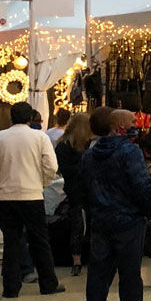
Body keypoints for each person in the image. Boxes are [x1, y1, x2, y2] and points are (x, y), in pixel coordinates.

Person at [81, 107, 151, 301]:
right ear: (120, 126)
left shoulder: (90, 154)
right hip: (128, 220)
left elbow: (82, 188)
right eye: (133, 121)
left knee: (98, 275)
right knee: (130, 275)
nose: (138, 123)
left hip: (101, 221)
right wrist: (150, 209)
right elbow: (140, 185)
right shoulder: (130, 152)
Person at [0, 102, 63, 298]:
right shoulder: (39, 137)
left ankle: (10, 287)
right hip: (32, 195)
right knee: (40, 241)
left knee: (11, 242)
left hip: (6, 197)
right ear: (30, 118)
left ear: (11, 117)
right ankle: (48, 283)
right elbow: (51, 166)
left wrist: (2, 180)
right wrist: (41, 183)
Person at [54, 112, 93, 277]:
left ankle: (79, 259)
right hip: (81, 190)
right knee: (80, 225)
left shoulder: (64, 146)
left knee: (79, 225)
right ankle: (80, 259)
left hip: (76, 190)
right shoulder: (78, 147)